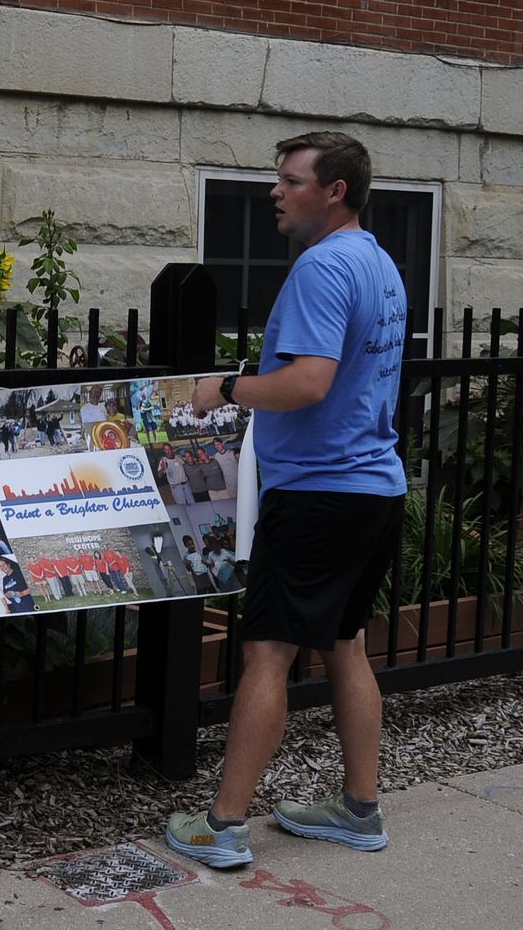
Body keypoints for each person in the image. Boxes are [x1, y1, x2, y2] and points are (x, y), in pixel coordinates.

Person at [165, 131, 408, 871]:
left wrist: (226, 389)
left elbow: (308, 382)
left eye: (291, 179)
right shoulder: (378, 262)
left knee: (268, 650)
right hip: (376, 489)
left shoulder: (321, 267)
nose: (276, 190)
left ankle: (225, 824)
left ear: (334, 190)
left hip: (318, 495)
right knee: (345, 642)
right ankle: (358, 808)